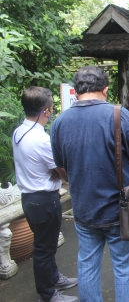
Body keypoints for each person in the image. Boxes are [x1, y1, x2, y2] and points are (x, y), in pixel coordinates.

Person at [50, 66, 129, 302]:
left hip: (83, 208)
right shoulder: (118, 115)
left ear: (76, 91)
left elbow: (61, 168)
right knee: (125, 267)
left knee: (87, 264)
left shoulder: (59, 122)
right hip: (120, 209)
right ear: (105, 90)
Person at [12, 87, 78, 302]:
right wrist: (60, 174)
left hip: (30, 198)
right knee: (43, 249)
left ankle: (54, 278)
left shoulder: (19, 131)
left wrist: (54, 173)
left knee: (45, 245)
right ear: (47, 111)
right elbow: (62, 172)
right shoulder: (41, 140)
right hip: (44, 199)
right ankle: (48, 295)